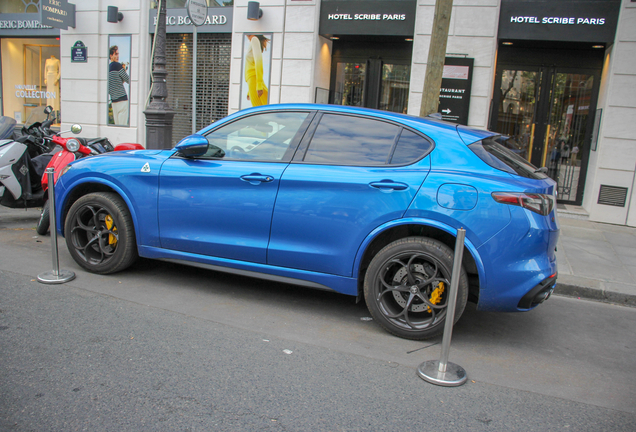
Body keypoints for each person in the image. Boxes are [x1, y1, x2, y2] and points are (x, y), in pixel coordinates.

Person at [244, 35, 269, 107]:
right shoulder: (253, 41)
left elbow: (258, 61)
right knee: (259, 108)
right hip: (251, 80)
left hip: (253, 78)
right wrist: (249, 91)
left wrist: (259, 85)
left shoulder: (254, 39)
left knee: (257, 109)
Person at [108, 45, 130, 125]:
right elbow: (129, 80)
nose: (118, 56)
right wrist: (124, 70)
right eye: (116, 54)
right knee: (123, 125)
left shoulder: (108, 68)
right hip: (122, 100)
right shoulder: (117, 66)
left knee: (117, 125)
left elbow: (116, 83)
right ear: (111, 55)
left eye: (118, 54)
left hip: (114, 101)